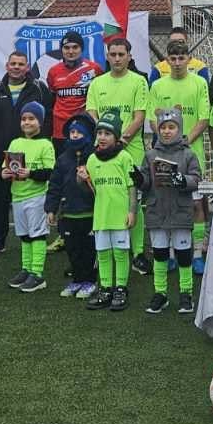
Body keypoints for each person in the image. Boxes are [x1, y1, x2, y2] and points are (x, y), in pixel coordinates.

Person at [86, 36, 151, 271]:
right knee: (104, 196)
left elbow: (139, 116)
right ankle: (103, 249)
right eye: (112, 55)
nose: (117, 59)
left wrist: (121, 141)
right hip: (103, 149)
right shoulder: (97, 83)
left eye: (121, 54)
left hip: (131, 149)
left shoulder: (139, 81)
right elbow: (91, 112)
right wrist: (107, 137)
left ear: (129, 56)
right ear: (107, 56)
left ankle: (138, 253)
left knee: (134, 200)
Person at [147, 41, 211, 271]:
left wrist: (185, 141)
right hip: (164, 155)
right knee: (167, 203)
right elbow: (152, 119)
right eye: (172, 58)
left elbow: (204, 118)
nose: (176, 63)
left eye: (181, 58)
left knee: (195, 205)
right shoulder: (158, 85)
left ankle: (197, 254)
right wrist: (167, 141)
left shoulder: (199, 82)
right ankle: (172, 254)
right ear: (167, 60)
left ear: (188, 59)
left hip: (192, 155)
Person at [0, 49, 51, 257]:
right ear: (7, 66)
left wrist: (41, 143)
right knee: (0, 200)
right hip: (0, 154)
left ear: (27, 67)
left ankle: (34, 239)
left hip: (30, 154)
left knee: (31, 199)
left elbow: (47, 118)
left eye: (21, 64)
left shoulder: (39, 88)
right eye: (13, 64)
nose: (16, 67)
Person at [139, 108, 202, 314]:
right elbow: (146, 182)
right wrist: (139, 180)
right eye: (163, 128)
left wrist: (183, 180)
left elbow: (197, 179)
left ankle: (186, 293)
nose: (166, 131)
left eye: (171, 127)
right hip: (157, 212)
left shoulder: (188, 154)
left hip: (180, 211)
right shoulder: (150, 155)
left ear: (179, 129)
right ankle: (160, 293)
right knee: (160, 254)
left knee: (184, 255)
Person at [81, 114, 138, 311]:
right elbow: (89, 189)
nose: (102, 137)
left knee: (121, 253)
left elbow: (132, 186)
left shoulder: (124, 157)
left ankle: (121, 289)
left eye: (107, 133)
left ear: (116, 136)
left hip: (120, 215)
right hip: (101, 217)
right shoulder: (91, 159)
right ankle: (105, 289)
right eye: (100, 133)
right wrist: (81, 179)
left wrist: (132, 211)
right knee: (103, 253)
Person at [1, 100, 56, 293]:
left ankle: (37, 274)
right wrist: (4, 173)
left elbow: (50, 172)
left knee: (37, 235)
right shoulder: (15, 142)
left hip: (37, 196)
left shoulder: (45, 144)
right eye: (24, 119)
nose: (27, 122)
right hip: (17, 196)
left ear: (40, 121)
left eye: (31, 118)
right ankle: (26, 269)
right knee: (24, 235)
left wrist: (30, 174)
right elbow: (6, 166)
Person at [45, 114, 100, 298]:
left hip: (90, 214)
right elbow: (55, 185)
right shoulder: (63, 158)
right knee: (73, 250)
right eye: (72, 132)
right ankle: (77, 280)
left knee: (89, 250)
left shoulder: (94, 157)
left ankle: (90, 281)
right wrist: (51, 208)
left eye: (79, 132)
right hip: (68, 214)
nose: (75, 135)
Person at [44, 31, 101, 153]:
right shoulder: (53, 71)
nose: (71, 51)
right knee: (62, 162)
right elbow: (52, 98)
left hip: (84, 126)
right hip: (60, 129)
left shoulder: (94, 69)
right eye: (66, 48)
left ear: (82, 49)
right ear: (61, 50)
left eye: (75, 47)